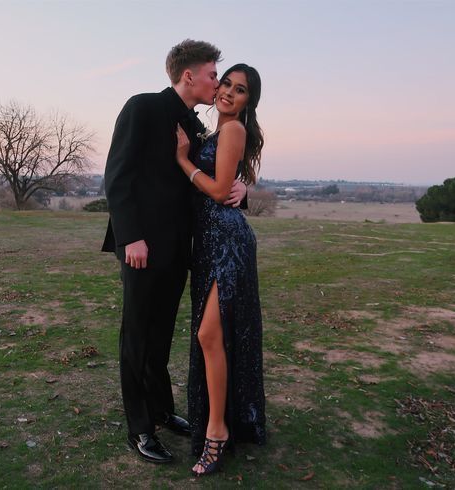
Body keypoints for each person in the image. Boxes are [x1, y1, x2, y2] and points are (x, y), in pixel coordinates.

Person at [101, 40, 248, 464]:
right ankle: (140, 428)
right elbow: (118, 176)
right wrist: (131, 237)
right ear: (188, 76)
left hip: (179, 251)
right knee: (137, 336)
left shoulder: (196, 124)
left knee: (162, 334)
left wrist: (241, 190)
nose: (217, 82)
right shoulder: (142, 107)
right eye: (211, 74)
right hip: (140, 248)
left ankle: (163, 410)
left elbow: (209, 180)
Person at [175, 63, 266, 476]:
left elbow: (215, 189)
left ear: (249, 101)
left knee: (210, 333)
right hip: (208, 242)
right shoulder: (214, 132)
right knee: (217, 335)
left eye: (240, 89)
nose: (228, 92)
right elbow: (225, 185)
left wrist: (182, 160)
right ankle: (223, 420)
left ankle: (217, 429)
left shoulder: (233, 131)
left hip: (227, 241)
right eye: (225, 83)